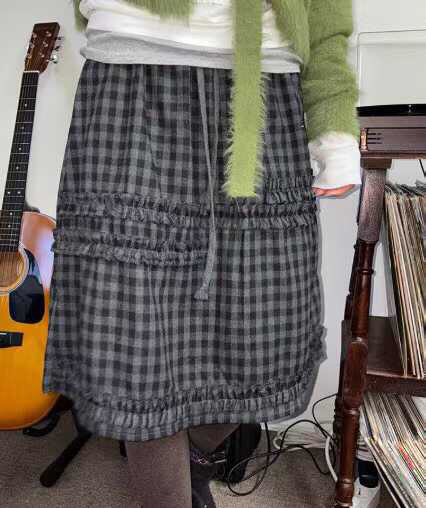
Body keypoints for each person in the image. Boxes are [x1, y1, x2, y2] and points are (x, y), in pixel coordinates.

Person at [42, 1, 361, 506]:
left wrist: (336, 134)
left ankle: (188, 459)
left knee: (265, 341)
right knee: (139, 349)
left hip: (264, 95)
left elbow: (325, 18)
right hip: (133, 81)